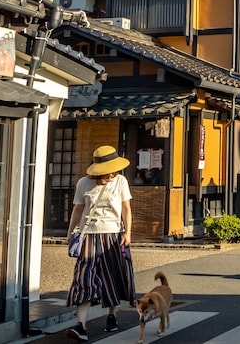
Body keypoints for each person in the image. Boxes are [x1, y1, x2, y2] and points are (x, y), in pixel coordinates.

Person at [65, 145, 136, 341]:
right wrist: (71, 233)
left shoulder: (120, 181)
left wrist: (128, 232)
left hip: (114, 235)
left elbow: (126, 209)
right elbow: (77, 210)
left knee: (114, 277)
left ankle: (112, 316)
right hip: (89, 236)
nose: (114, 172)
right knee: (84, 279)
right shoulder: (83, 183)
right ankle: (80, 325)